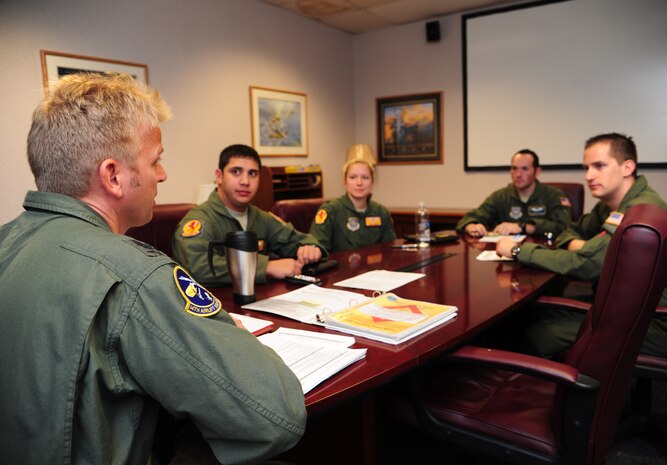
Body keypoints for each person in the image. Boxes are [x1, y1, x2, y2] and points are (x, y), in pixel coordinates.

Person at [0, 73, 306, 465]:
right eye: (155, 160)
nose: (163, 174)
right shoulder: (134, 273)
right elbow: (275, 415)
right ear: (113, 176)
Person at [496, 133, 667, 358]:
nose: (589, 176)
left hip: (656, 323)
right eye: (587, 167)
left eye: (599, 166)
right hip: (627, 308)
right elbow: (569, 231)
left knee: (541, 334)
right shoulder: (613, 205)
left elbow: (587, 264)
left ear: (627, 167)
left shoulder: (639, 212)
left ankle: (531, 389)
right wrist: (578, 244)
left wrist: (517, 250)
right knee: (533, 312)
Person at [173, 144, 326, 286]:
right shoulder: (200, 220)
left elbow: (298, 240)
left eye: (252, 173)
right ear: (219, 176)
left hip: (259, 302)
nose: (245, 181)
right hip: (214, 308)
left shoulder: (261, 217)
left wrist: (310, 249)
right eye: (235, 172)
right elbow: (195, 268)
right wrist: (265, 267)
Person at [456, 149, 572, 237]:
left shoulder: (553, 195)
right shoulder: (500, 196)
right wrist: (472, 226)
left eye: (525, 169)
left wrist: (523, 227)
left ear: (537, 172)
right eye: (514, 168)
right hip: (506, 255)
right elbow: (471, 217)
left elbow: (564, 227)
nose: (518, 174)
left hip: (545, 254)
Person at [309, 158, 396, 252]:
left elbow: (390, 249)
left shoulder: (381, 212)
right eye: (353, 177)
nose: (359, 183)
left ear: (372, 183)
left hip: (375, 266)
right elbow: (317, 248)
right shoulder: (330, 210)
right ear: (345, 182)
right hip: (341, 266)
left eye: (365, 177)